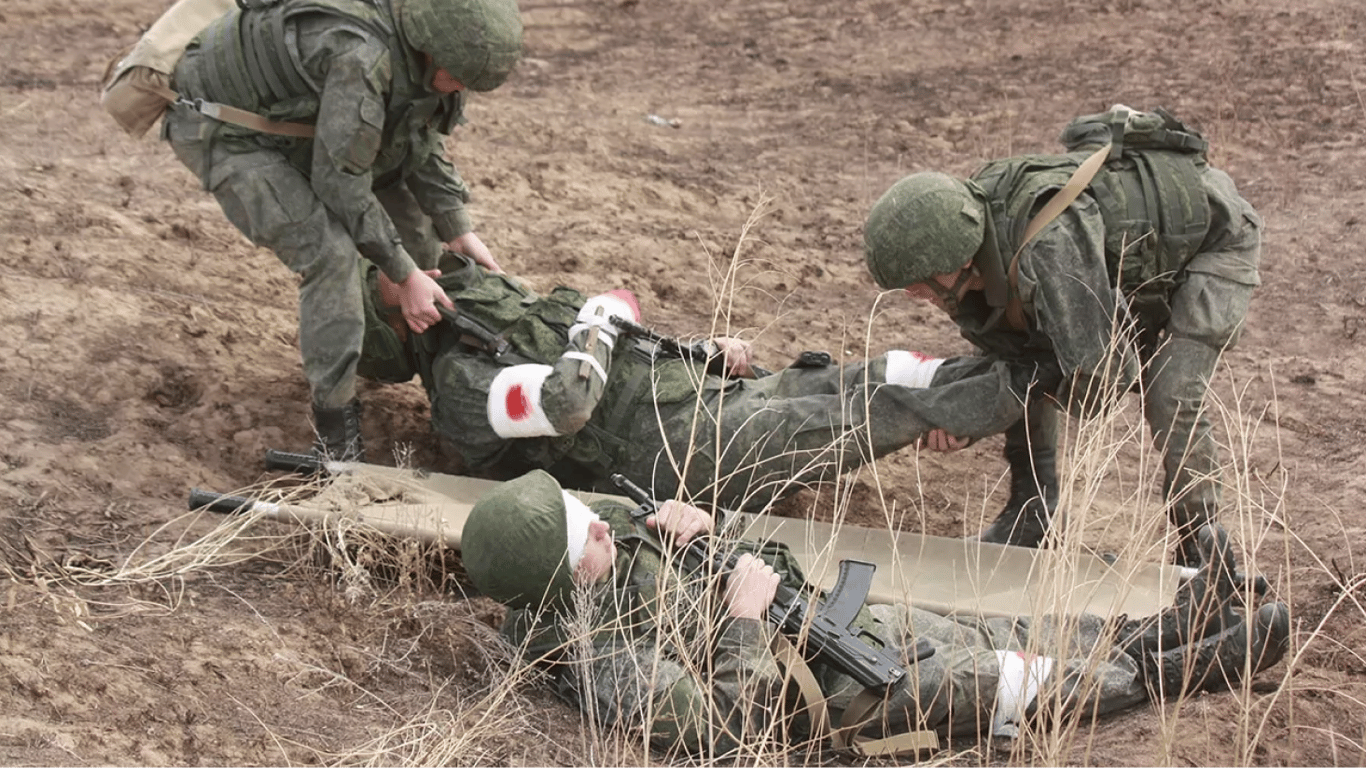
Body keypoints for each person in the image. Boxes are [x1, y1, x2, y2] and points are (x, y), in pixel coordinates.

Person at [460, 470, 1291, 756]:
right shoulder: (609, 662)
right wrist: (746, 622)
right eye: (585, 536)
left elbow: (761, 570)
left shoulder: (602, 542)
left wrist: (715, 536)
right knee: (1003, 681)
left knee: (999, 629)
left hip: (834, 625)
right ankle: (1169, 672)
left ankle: (1166, 622)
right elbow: (723, 733)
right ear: (562, 580)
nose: (600, 521)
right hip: (841, 699)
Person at [862, 107, 1263, 565]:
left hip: (1215, 242)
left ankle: (1204, 549)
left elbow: (1102, 380)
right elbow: (1015, 362)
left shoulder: (1047, 251)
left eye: (917, 282)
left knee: (1170, 393)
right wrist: (966, 424)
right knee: (1029, 363)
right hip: (1127, 258)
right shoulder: (973, 231)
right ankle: (1032, 516)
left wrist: (980, 412)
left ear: (953, 258)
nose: (914, 295)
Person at [355, 251, 1056, 512]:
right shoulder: (461, 387)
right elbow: (568, 404)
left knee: (894, 372)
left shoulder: (494, 320)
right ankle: (1054, 372)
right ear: (400, 324)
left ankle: (1020, 369)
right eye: (396, 272)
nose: (416, 259)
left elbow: (609, 358)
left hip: (700, 401)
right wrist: (603, 313)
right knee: (890, 403)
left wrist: (699, 351)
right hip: (688, 453)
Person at [162, 0, 524, 461]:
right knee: (329, 255)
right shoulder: (361, 57)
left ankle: (442, 380)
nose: (463, 89)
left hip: (303, 120)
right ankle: (335, 434)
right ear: (433, 51)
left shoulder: (425, 48)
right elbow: (341, 185)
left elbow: (415, 136)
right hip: (226, 127)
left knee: (421, 245)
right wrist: (401, 273)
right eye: (460, 77)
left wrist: (456, 228)